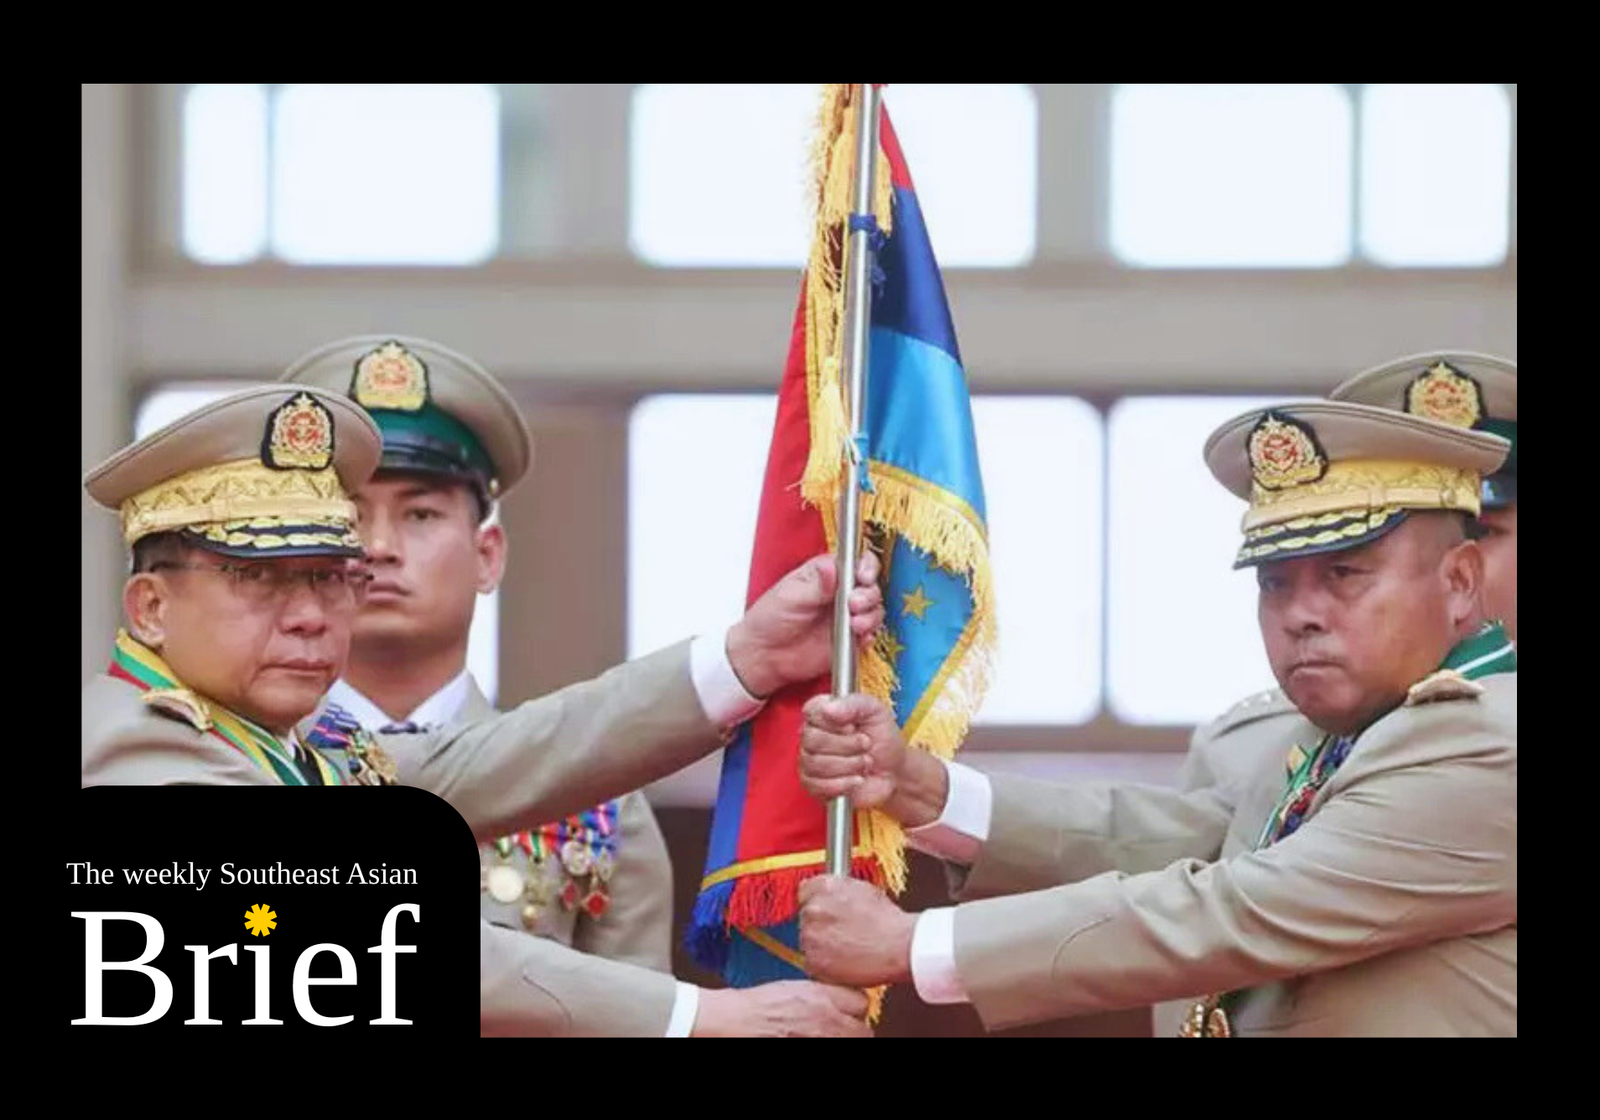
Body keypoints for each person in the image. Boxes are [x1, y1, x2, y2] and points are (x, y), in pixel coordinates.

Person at [81, 382, 883, 1035]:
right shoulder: (139, 755)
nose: (308, 615)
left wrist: (747, 659)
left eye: (329, 576)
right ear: (149, 608)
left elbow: (484, 761)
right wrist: (705, 1014)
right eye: (257, 578)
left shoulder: (282, 747)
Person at [796, 400, 1516, 1036]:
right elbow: (1196, 843)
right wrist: (921, 788)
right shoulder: (1350, 731)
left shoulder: (1481, 742)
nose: (1301, 615)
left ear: (1458, 583)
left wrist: (916, 946)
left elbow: (1236, 905)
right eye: (1275, 583)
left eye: (1344, 575)